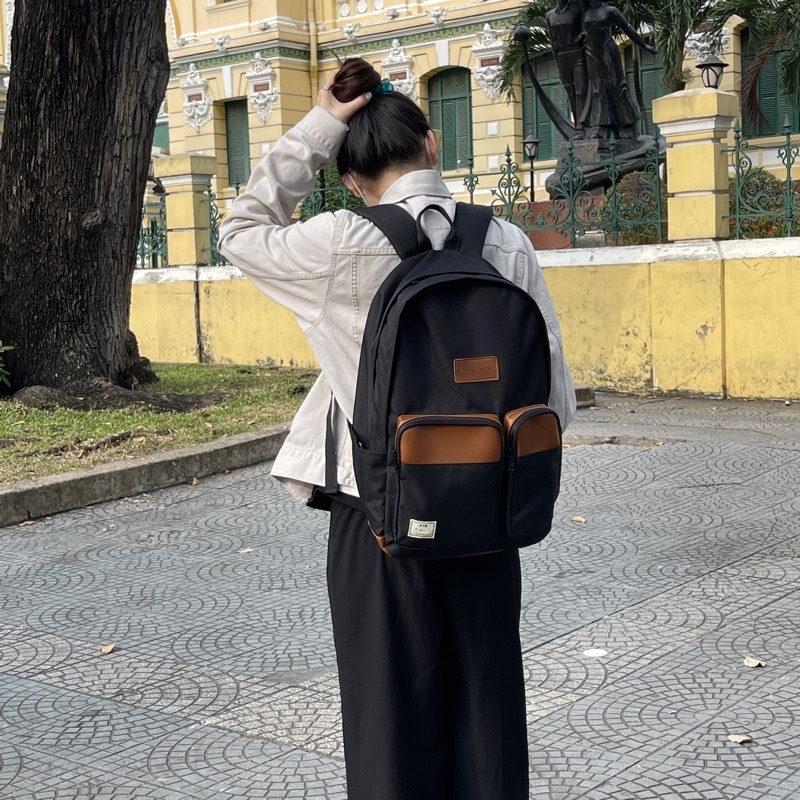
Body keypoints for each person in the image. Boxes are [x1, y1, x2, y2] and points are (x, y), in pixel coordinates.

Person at [219, 57, 575, 800]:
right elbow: (556, 400)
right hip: (490, 512)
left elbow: (241, 228)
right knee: (487, 710)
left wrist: (321, 123)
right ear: (432, 144)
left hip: (377, 512)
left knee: (388, 717)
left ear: (352, 180)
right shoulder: (506, 241)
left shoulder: (335, 242)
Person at [579, 0, 657, 140]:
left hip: (607, 51)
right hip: (591, 53)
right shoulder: (585, 11)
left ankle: (625, 126)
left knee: (617, 87)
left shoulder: (610, 11)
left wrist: (644, 45)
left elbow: (627, 27)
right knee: (597, 89)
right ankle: (601, 127)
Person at [545, 0, 590, 136]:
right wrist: (558, 62)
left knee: (581, 90)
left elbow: (586, 30)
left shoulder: (577, 9)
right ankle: (578, 126)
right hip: (562, 56)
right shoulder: (550, 15)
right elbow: (552, 41)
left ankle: (584, 126)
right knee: (571, 92)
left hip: (577, 52)